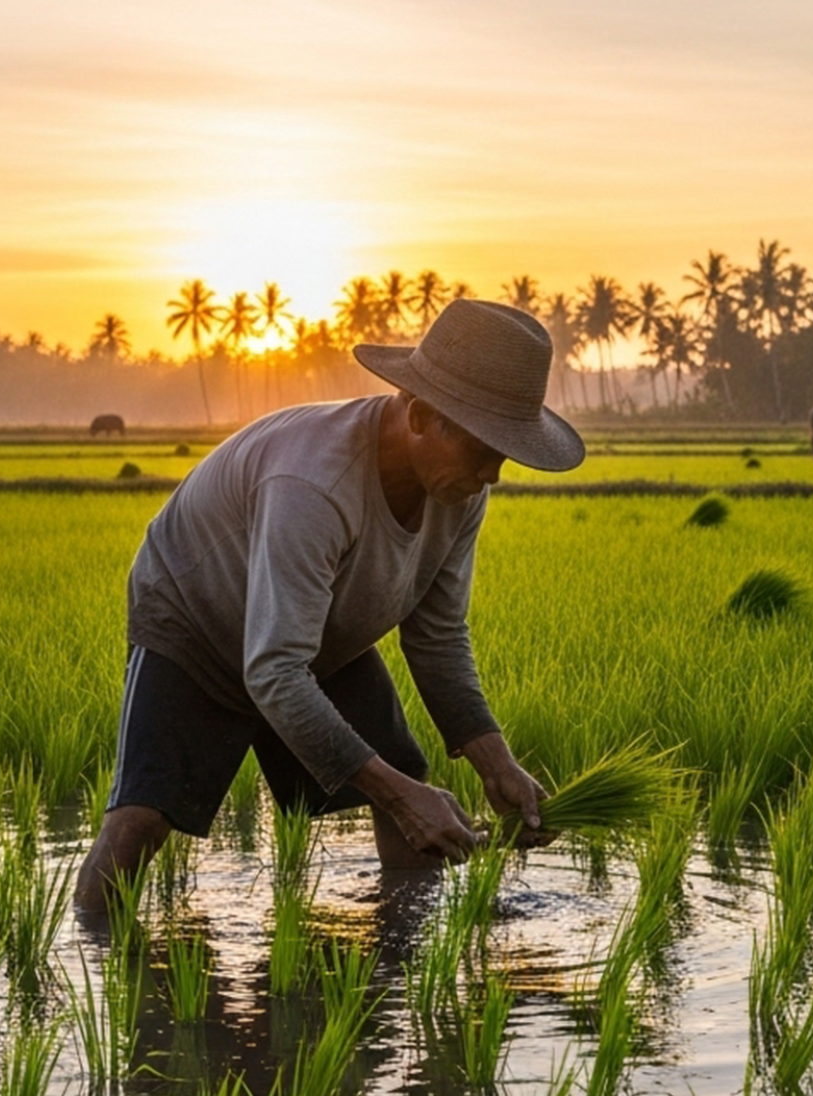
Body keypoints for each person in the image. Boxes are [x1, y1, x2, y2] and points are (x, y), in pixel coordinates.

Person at [75, 298, 585, 912]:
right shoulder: (313, 484)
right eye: (484, 452)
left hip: (316, 634)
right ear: (422, 416)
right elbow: (273, 671)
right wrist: (398, 796)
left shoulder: (458, 489)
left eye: (501, 456)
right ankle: (91, 956)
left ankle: (399, 960)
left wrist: (497, 765)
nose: (492, 475)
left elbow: (438, 636)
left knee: (406, 784)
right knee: (141, 819)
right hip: (196, 619)